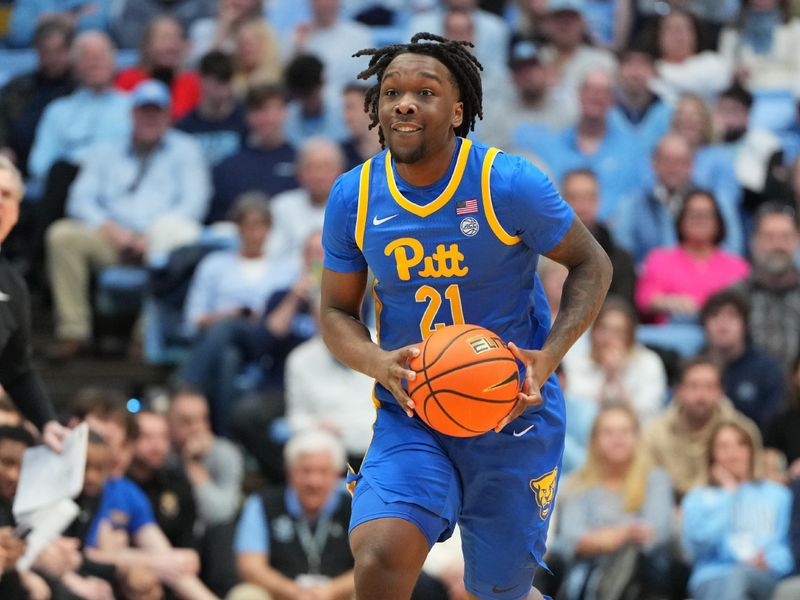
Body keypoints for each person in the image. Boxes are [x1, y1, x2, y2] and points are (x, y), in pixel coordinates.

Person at [320, 32, 612, 600]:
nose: (404, 104)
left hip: (510, 414)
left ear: (458, 111)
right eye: (392, 93)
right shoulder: (353, 197)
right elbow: (335, 311)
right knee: (379, 555)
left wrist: (549, 356)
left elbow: (592, 263)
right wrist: (378, 362)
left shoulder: (508, 183)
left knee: (498, 593)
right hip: (414, 410)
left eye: (424, 93)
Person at [45, 79, 210, 360]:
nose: (150, 119)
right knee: (62, 235)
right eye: (144, 111)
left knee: (179, 232)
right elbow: (80, 199)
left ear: (168, 115)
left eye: (156, 112)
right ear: (132, 114)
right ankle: (73, 332)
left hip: (160, 241)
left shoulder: (186, 149)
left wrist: (150, 237)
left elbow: (194, 204)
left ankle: (146, 336)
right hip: (113, 238)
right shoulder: (106, 151)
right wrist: (111, 229)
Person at [552, 405, 675, 600]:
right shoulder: (576, 483)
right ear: (595, 440)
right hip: (587, 571)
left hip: (645, 574)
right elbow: (570, 537)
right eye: (608, 432)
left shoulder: (656, 479)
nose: (618, 439)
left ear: (637, 437)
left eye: (625, 432)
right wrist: (624, 533)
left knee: (631, 552)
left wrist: (606, 535)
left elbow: (656, 532)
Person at [229, 429, 355, 600]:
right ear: (290, 472)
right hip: (282, 595)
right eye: (305, 471)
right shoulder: (261, 504)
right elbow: (250, 566)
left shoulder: (355, 506)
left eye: (323, 471)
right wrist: (294, 592)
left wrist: (332, 591)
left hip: (339, 595)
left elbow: (372, 563)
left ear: (337, 474)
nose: (314, 481)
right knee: (245, 595)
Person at [0, 157, 69, 453]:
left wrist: (46, 421)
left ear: (16, 212)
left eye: (6, 195)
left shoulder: (12, 285)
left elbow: (17, 370)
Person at [681, 420, 793, 600]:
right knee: (732, 581)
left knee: (738, 577)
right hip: (713, 577)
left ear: (751, 451)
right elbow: (696, 547)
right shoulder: (698, 497)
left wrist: (769, 560)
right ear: (712, 454)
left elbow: (788, 549)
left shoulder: (778, 495)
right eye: (724, 447)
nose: (733, 454)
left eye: (741, 445)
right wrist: (728, 495)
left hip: (762, 577)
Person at [643, 356, 761, 499]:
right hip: (671, 505)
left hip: (733, 502)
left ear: (721, 392)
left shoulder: (743, 431)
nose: (701, 395)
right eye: (693, 386)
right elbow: (648, 485)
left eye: (709, 387)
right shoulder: (656, 432)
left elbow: (757, 485)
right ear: (679, 391)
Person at [635, 189, 750, 323]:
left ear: (718, 223)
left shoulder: (737, 267)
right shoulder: (659, 260)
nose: (699, 220)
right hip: (672, 332)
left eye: (706, 215)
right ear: (681, 220)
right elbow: (644, 299)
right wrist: (669, 302)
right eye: (693, 215)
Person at [562, 296, 667, 423]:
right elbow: (577, 417)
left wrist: (616, 378)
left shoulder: (649, 363)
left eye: (619, 331)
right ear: (592, 332)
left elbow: (646, 417)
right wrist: (606, 379)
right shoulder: (576, 362)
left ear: (630, 336)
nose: (609, 339)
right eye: (603, 330)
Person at [208, 84, 297, 224]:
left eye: (271, 110)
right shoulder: (228, 167)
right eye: (259, 111)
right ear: (248, 116)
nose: (266, 119)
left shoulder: (301, 162)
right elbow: (218, 217)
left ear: (285, 112)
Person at [701, 289, 786, 435]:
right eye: (715, 315)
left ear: (745, 325)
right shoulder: (695, 369)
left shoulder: (767, 371)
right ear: (704, 325)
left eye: (732, 316)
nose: (722, 323)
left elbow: (773, 424)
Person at [0, 19, 75, 178]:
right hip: (16, 164)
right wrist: (3, 147)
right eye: (47, 52)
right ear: (38, 53)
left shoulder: (81, 87)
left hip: (63, 169)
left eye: (59, 51)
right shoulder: (17, 87)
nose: (53, 58)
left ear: (70, 50)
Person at [731, 203, 800, 369]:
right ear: (753, 242)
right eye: (769, 237)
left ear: (797, 242)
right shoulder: (735, 296)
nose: (778, 246)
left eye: (785, 237)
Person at [166, 387, 244, 528]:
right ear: (169, 424)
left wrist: (193, 465)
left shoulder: (226, 453)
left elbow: (221, 514)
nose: (197, 428)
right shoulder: (162, 455)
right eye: (187, 421)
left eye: (203, 419)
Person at [115, 16, 201, 121]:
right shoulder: (128, 80)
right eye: (164, 39)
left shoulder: (192, 82)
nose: (171, 46)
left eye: (176, 39)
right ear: (147, 45)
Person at [176, 50, 248, 167]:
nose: (223, 92)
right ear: (201, 81)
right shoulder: (184, 128)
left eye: (226, 83)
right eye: (216, 84)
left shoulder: (245, 122)